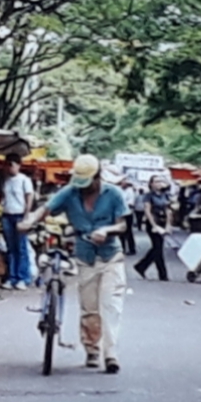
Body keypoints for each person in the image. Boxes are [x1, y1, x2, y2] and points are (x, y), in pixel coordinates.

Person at [20, 154, 128, 372]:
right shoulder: (70, 192)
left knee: (110, 306)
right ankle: (92, 350)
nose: (84, 188)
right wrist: (30, 220)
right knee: (89, 308)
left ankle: (111, 355)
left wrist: (106, 230)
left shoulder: (114, 194)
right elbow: (46, 209)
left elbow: (122, 225)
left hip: (110, 256)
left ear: (97, 177)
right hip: (85, 255)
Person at [0, 153, 34, 290]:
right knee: (10, 248)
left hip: (19, 215)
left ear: (18, 165)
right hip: (7, 215)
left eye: (12, 165)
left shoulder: (24, 180)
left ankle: (23, 278)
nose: (9, 168)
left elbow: (29, 197)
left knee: (21, 248)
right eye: (7, 165)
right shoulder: (6, 181)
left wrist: (26, 215)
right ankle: (12, 277)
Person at [134, 174, 173, 281]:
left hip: (163, 222)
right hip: (153, 223)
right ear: (151, 184)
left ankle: (141, 266)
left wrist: (168, 225)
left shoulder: (165, 195)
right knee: (158, 248)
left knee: (157, 248)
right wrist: (154, 225)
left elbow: (168, 210)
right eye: (156, 181)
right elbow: (147, 211)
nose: (159, 183)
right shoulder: (148, 196)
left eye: (160, 181)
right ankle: (162, 274)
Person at [119, 180, 137, 257]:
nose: (123, 184)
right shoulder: (119, 190)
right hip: (120, 214)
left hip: (128, 213)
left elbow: (131, 203)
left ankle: (132, 249)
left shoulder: (130, 191)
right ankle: (121, 249)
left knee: (128, 232)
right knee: (120, 232)